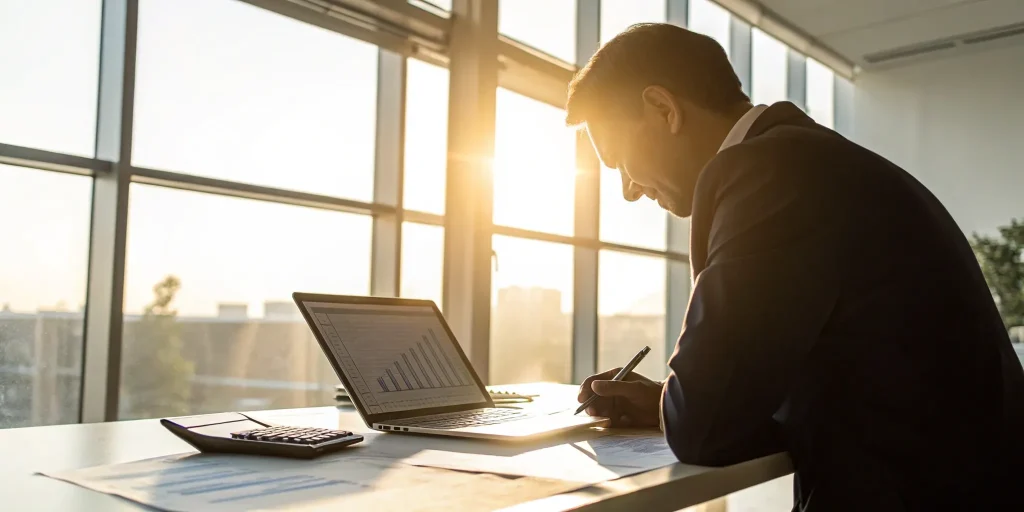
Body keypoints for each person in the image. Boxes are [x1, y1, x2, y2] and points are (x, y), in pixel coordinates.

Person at [571, 23, 1024, 511]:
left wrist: (681, 409)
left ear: (664, 108)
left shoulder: (769, 173)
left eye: (618, 162)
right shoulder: (812, 159)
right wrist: (666, 402)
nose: (628, 190)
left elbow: (703, 428)